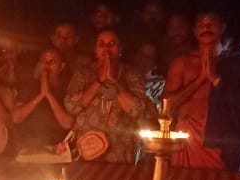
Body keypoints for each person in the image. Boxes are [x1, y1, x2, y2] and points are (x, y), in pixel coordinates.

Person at [166, 11, 240, 170]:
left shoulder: (237, 64)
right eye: (201, 24)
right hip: (184, 140)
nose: (206, 27)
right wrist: (200, 80)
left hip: (217, 142)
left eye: (211, 24)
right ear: (195, 31)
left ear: (222, 28)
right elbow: (166, 105)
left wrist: (215, 79)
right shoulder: (181, 63)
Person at [65, 29, 149, 163]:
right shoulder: (83, 73)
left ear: (120, 49)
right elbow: (71, 106)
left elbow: (137, 110)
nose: (106, 49)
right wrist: (99, 81)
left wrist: (115, 83)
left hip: (121, 151)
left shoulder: (132, 74)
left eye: (111, 44)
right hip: (86, 148)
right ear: (95, 50)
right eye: (101, 44)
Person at [11, 47, 73, 153]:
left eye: (53, 61)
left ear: (62, 66)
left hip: (57, 151)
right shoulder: (28, 86)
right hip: (29, 150)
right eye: (44, 61)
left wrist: (48, 95)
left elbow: (68, 123)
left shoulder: (68, 88)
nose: (47, 65)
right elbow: (15, 117)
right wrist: (40, 96)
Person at [133, 40, 166, 112]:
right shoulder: (123, 77)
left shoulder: (161, 85)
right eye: (141, 54)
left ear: (155, 62)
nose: (142, 59)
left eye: (148, 57)